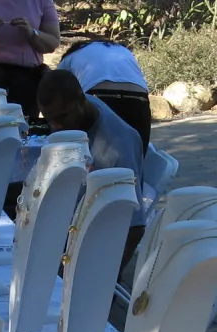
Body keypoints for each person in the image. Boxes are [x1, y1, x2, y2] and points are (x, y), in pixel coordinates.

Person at [37, 69, 146, 275]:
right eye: (49, 120)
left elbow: (135, 228)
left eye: (61, 117)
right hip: (66, 222)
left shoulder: (118, 147)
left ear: (81, 100)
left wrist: (104, 282)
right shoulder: (76, 112)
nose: (56, 128)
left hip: (92, 241)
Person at [56, 39, 151, 150]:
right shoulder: (122, 50)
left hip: (100, 96)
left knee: (93, 158)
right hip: (139, 98)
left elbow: (55, 88)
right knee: (137, 154)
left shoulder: (70, 57)